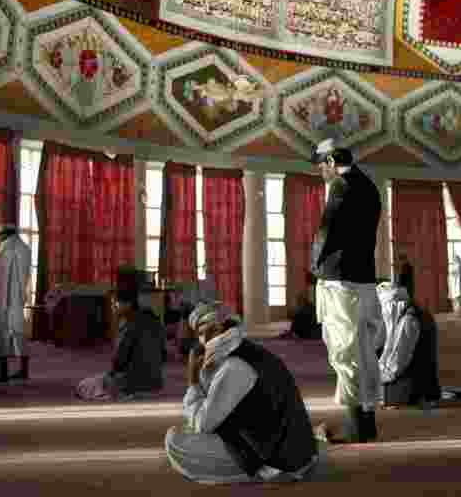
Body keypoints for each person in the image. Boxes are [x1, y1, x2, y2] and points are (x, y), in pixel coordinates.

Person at [165, 302, 318, 484]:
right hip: (286, 449)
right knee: (191, 427)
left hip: (277, 460)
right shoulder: (247, 351)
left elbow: (203, 424)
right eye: (200, 333)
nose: (206, 340)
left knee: (174, 439)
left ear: (229, 328)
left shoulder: (234, 366)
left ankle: (258, 473)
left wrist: (192, 381)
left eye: (212, 330)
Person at [310, 138, 383, 443]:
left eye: (320, 167)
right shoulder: (370, 186)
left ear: (329, 162)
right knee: (364, 351)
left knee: (345, 351)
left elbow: (327, 229)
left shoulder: (340, 186)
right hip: (364, 278)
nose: (321, 173)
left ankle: (356, 427)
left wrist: (315, 262)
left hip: (340, 279)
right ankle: (366, 421)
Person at [77, 290, 165, 401]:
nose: (113, 307)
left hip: (132, 383)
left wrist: (110, 374)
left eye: (116, 303)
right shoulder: (155, 321)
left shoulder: (129, 324)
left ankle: (117, 393)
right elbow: (163, 355)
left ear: (127, 305)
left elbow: (119, 361)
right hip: (156, 382)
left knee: (84, 386)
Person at [377, 284, 440, 408]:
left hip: (414, 388)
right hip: (423, 384)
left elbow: (397, 364)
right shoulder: (418, 313)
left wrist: (375, 377)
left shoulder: (408, 321)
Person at [0, 223, 31, 383]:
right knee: (19, 334)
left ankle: (3, 373)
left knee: (0, 334)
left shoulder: (5, 249)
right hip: (16, 301)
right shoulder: (24, 248)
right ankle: (23, 371)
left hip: (1, 301)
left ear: (4, 234)